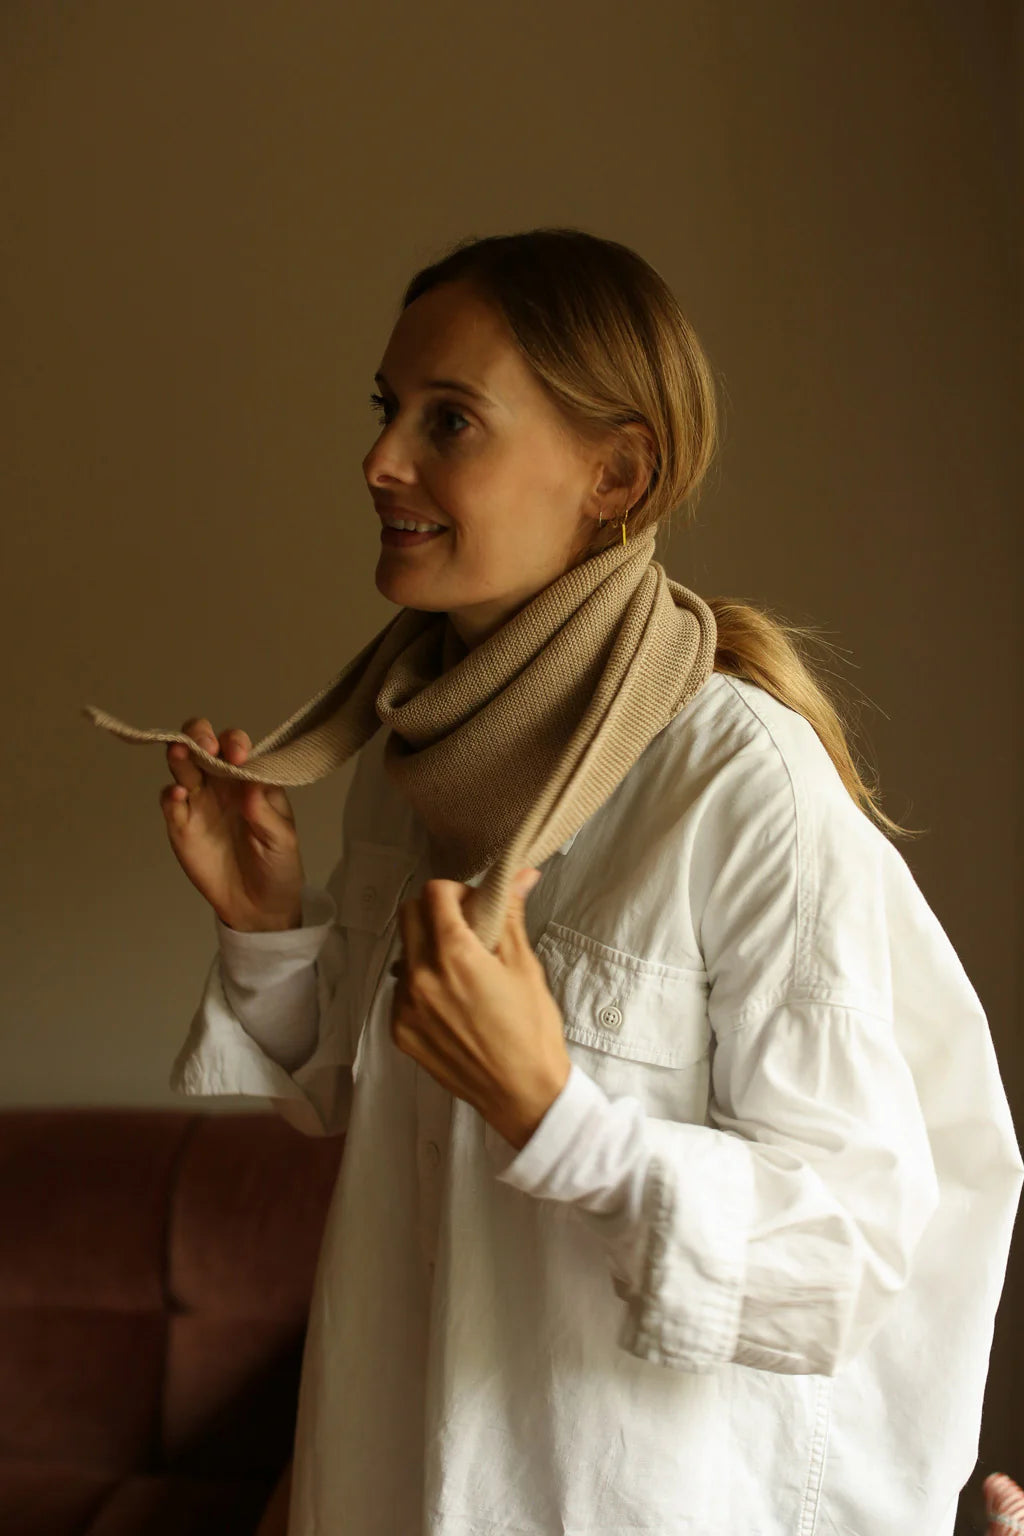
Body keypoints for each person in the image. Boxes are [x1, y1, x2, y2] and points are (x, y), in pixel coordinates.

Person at [93, 229, 1022, 1534]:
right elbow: (387, 1124)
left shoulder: (740, 781)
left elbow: (850, 1257)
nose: (380, 460)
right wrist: (263, 932)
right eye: (386, 408)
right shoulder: (415, 758)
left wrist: (556, 1116)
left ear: (616, 474)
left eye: (449, 420)